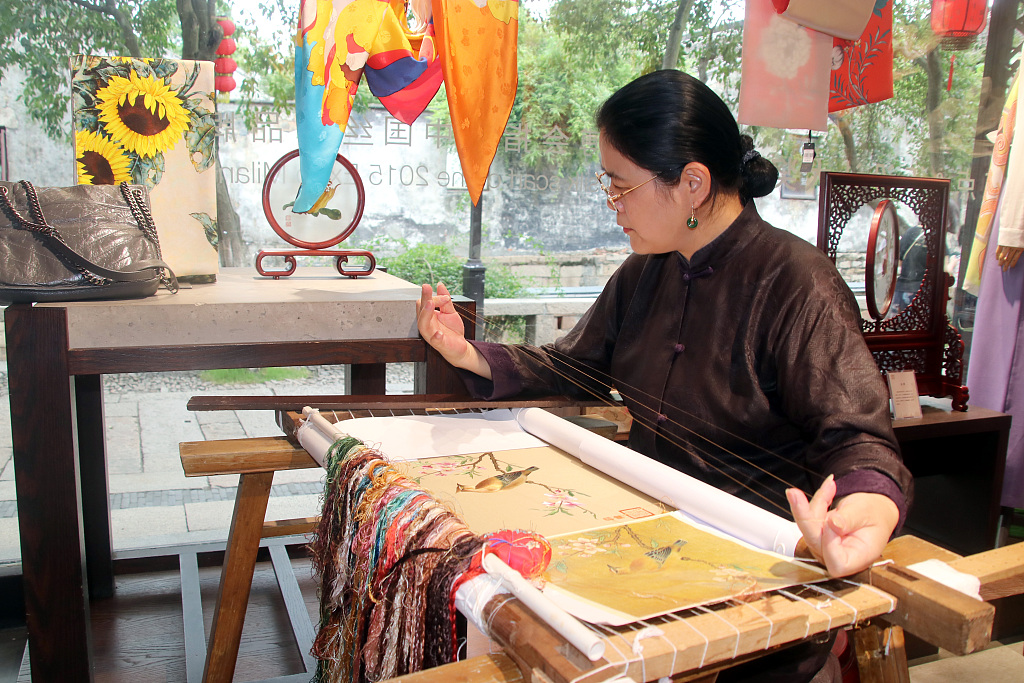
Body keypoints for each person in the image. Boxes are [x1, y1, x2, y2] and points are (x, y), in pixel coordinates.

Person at [417, 70, 912, 682]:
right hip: (643, 539)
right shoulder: (645, 272)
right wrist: (467, 353)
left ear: (693, 184)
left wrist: (864, 510)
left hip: (750, 588)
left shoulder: (796, 283)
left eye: (620, 187)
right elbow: (578, 367)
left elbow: (858, 435)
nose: (612, 204)